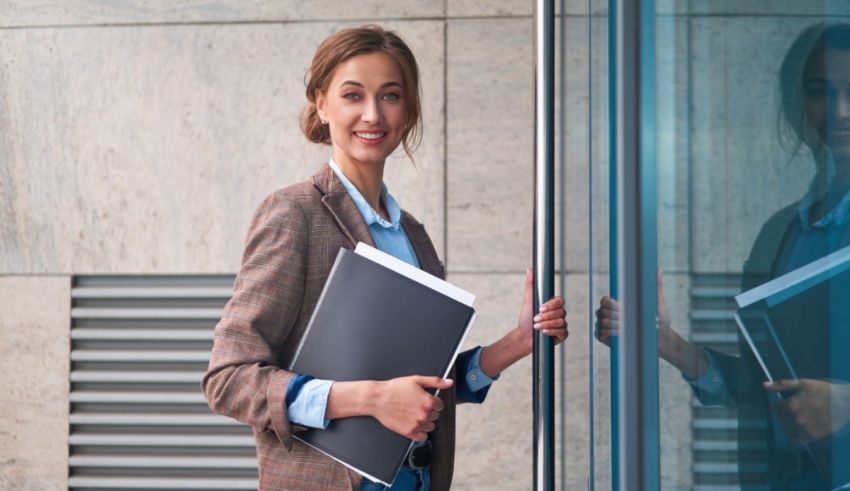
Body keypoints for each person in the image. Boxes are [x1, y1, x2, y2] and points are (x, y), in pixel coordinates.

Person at [202, 25, 568, 491]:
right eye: (352, 95)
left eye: (390, 96)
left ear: (408, 109)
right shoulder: (295, 214)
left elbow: (421, 382)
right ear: (321, 104)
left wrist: (518, 342)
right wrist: (372, 399)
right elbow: (228, 379)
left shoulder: (412, 235)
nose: (372, 114)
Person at [595, 22, 850, 490]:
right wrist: (666, 343)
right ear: (798, 106)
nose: (840, 111)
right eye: (820, 92)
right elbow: (764, 386)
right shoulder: (787, 231)